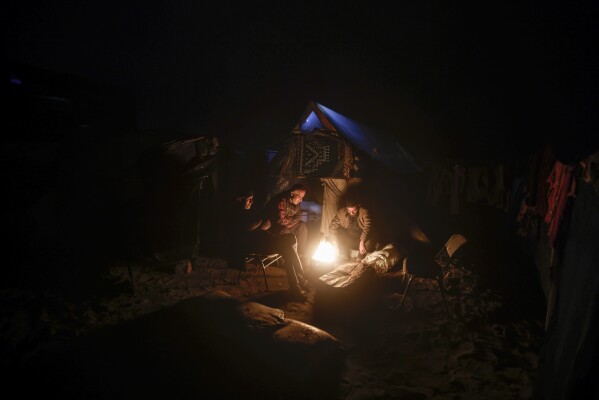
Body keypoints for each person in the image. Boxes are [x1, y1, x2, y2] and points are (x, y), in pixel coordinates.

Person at [226, 189, 310, 301]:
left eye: (252, 199)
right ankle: (300, 277)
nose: (251, 202)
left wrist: (266, 223)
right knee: (288, 245)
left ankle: (297, 284)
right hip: (254, 245)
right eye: (248, 199)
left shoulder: (250, 211)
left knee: (290, 241)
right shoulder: (236, 214)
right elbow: (247, 229)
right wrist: (261, 220)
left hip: (263, 240)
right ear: (240, 200)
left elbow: (263, 226)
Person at [263, 183, 308, 262]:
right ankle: (288, 258)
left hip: (285, 225)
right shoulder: (281, 200)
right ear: (292, 194)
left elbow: (299, 216)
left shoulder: (296, 204)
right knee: (285, 231)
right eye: (300, 197)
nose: (301, 200)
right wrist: (291, 219)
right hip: (273, 227)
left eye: (302, 197)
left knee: (302, 226)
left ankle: (300, 255)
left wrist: (289, 220)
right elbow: (280, 221)